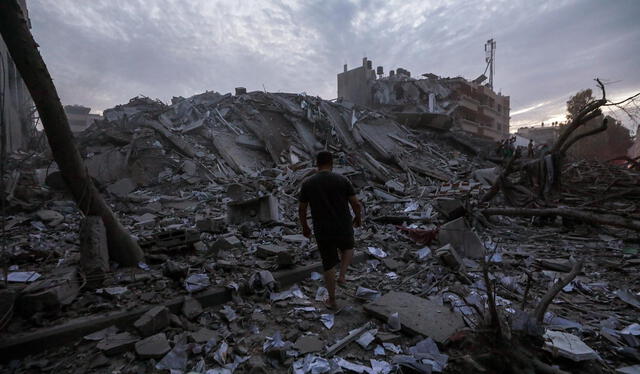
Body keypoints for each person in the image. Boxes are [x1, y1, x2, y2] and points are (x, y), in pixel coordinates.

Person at [298, 151, 362, 310]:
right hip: (343, 225)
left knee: (328, 264)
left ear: (317, 164)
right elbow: (356, 204)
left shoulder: (308, 183)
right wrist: (358, 217)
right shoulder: (342, 180)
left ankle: (332, 300)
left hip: (322, 228)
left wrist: (304, 226)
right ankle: (342, 275)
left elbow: (302, 208)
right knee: (348, 248)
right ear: (332, 163)